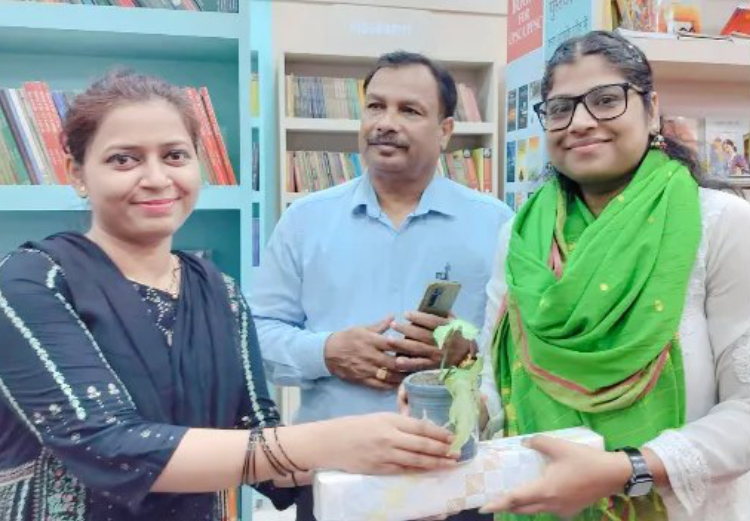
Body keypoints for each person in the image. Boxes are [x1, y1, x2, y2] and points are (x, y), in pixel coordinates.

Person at [0, 70, 460, 521]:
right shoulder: (34, 281)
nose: (157, 178)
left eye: (175, 155)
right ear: (77, 173)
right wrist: (333, 440)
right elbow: (104, 445)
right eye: (124, 160)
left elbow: (259, 441)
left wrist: (391, 467)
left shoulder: (218, 291)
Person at [469, 30, 750, 521]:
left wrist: (628, 468)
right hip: (537, 503)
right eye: (561, 108)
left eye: (605, 100)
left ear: (652, 109)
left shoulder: (719, 223)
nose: (580, 122)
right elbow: (498, 376)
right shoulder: (520, 237)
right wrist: (456, 408)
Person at [251, 51, 513, 520]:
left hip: (455, 477)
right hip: (338, 478)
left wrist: (464, 357)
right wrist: (327, 352)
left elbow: (518, 356)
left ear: (445, 131)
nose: (385, 123)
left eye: (409, 110)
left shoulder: (496, 224)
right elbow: (256, 338)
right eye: (375, 106)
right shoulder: (304, 221)